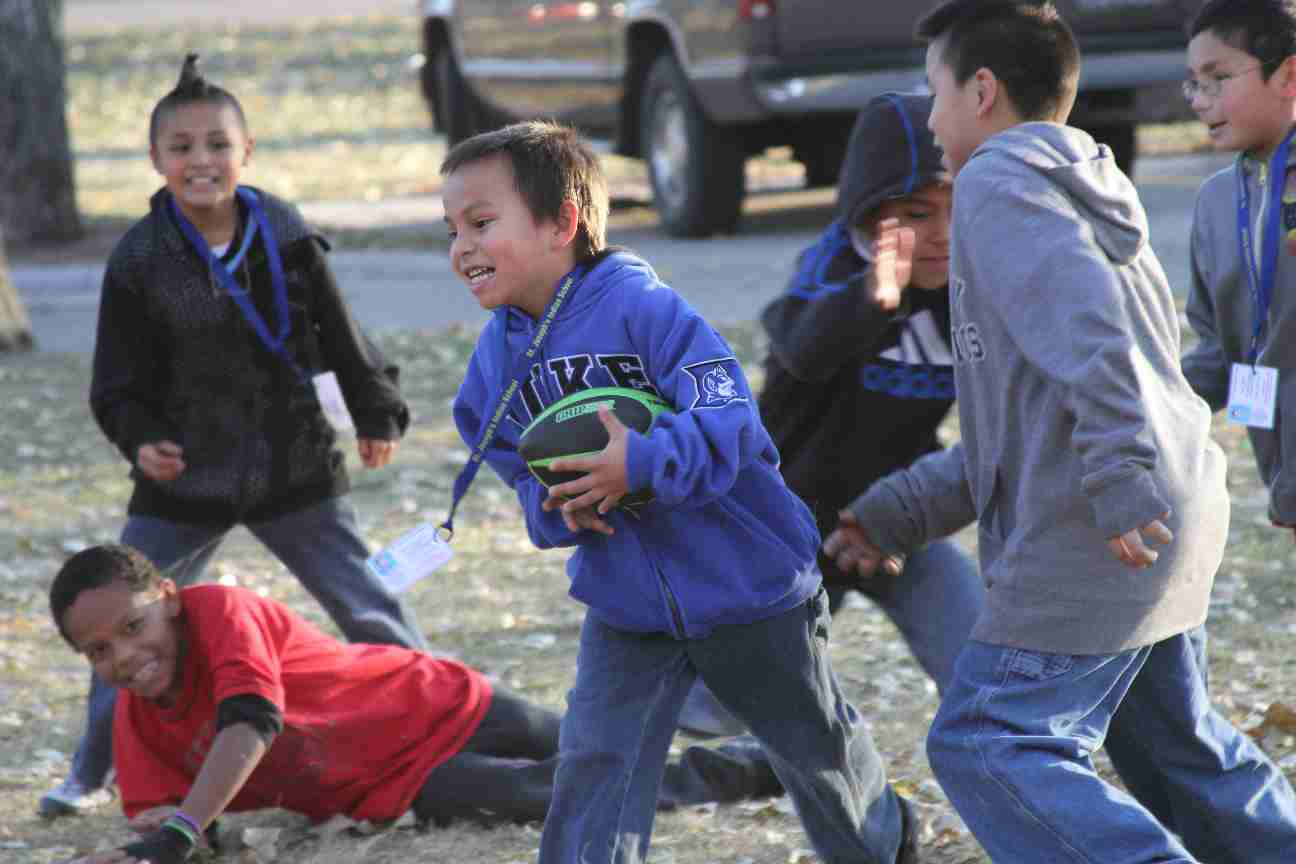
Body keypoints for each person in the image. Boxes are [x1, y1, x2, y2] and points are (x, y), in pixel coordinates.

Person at [825, 1, 1296, 861]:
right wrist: (900, 510)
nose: (929, 120)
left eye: (934, 93)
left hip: (1104, 526)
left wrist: (1119, 476)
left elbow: (1090, 334)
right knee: (1175, 751)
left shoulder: (1001, 182)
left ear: (981, 89)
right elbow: (1026, 418)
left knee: (986, 741)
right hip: (1168, 507)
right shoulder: (1081, 182)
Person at [446, 121, 918, 863]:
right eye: (452, 230)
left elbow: (732, 422)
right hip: (627, 600)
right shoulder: (496, 357)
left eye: (480, 224)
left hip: (747, 583)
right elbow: (503, 447)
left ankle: (885, 843)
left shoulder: (647, 310)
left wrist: (642, 463)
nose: (461, 247)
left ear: (562, 223)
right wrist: (557, 504)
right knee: (596, 759)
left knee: (814, 752)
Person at [39, 54, 429, 819]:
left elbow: (338, 334)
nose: (200, 161)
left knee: (370, 607)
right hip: (185, 479)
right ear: (155, 160)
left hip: (293, 464)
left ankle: (431, 718)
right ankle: (91, 773)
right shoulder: (139, 258)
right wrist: (141, 438)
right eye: (181, 148)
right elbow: (115, 382)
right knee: (114, 625)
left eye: (217, 144)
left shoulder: (283, 231)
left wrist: (374, 410)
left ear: (245, 153)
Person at [51, 545, 780, 864]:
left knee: (594, 744)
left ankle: (766, 763)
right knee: (565, 789)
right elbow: (167, 823)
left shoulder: (220, 612)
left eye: (132, 627)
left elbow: (252, 722)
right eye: (98, 652)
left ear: (170, 602)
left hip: (436, 699)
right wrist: (141, 849)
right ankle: (727, 775)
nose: (122, 657)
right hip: (396, 784)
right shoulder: (135, 716)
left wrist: (178, 831)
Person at [678, 91, 985, 738]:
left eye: (961, 206)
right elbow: (804, 350)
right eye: (916, 212)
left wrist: (900, 515)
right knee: (736, 701)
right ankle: (702, 758)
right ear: (867, 215)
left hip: (896, 511)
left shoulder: (976, 279)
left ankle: (999, 750)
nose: (943, 232)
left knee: (975, 663)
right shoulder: (831, 266)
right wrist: (875, 297)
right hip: (789, 521)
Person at [1181, 0, 1296, 544]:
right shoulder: (1216, 203)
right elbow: (1219, 352)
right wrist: (1146, 410)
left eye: (1219, 78)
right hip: (1283, 468)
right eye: (1194, 84)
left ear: (1289, 75)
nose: (1202, 101)